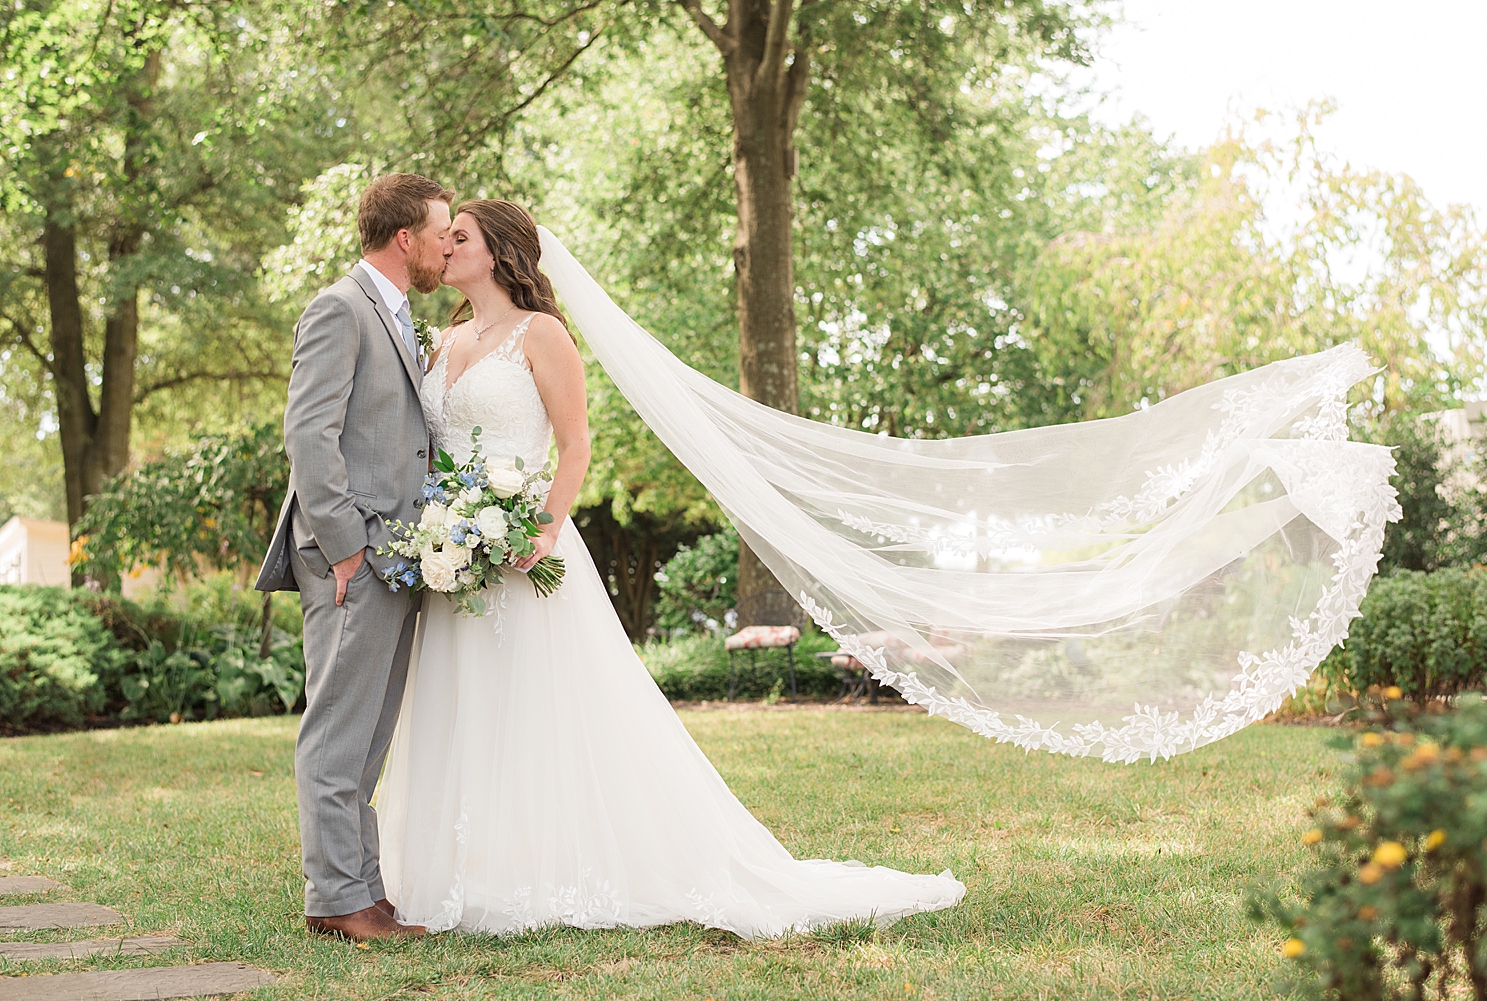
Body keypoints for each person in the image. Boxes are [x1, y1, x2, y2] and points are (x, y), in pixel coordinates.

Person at [374, 199, 966, 937]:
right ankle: (465, 870)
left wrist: (545, 528)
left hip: (527, 549)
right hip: (455, 557)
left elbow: (576, 444)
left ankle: (548, 871)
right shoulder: (444, 338)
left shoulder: (543, 334)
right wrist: (444, 533)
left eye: (460, 236)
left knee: (536, 710)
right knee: (461, 707)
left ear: (497, 252)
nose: (446, 246)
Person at [256, 173, 453, 941]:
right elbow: (310, 437)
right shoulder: (340, 308)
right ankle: (334, 899)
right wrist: (346, 552)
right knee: (338, 732)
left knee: (366, 736)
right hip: (353, 556)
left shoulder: (402, 317)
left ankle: (362, 892)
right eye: (440, 230)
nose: (446, 243)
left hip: (395, 556)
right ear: (405, 238)